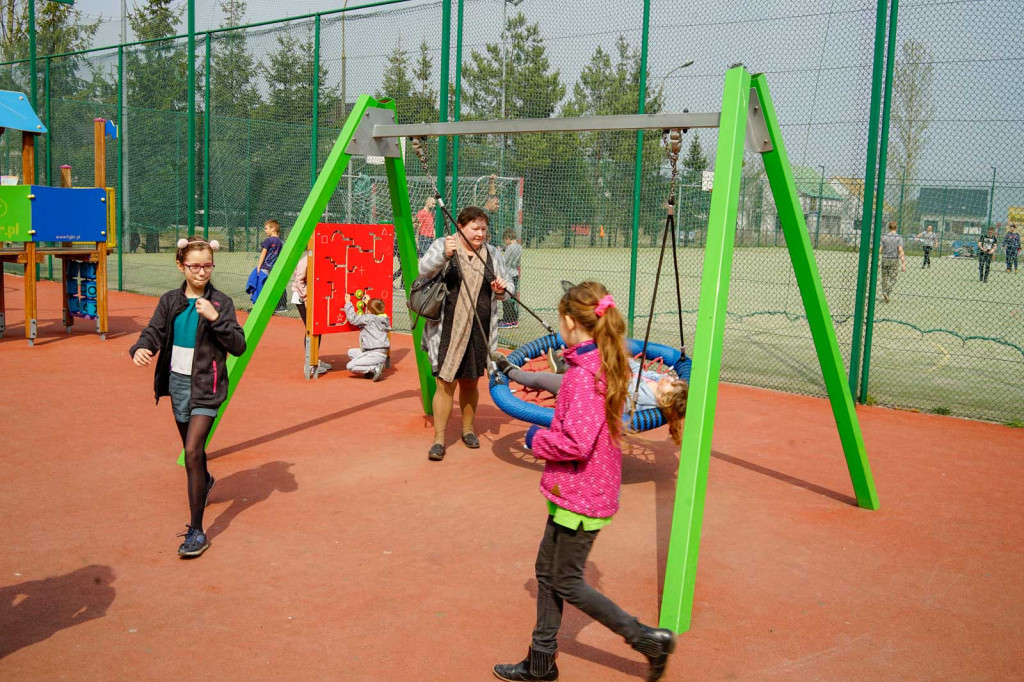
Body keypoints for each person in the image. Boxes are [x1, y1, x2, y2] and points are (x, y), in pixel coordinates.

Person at [492, 282, 677, 682]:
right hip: (576, 489)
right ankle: (541, 661)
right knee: (547, 570)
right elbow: (572, 399)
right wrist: (521, 373)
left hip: (582, 493)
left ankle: (645, 638)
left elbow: (575, 442)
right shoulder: (600, 362)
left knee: (566, 580)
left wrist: (534, 438)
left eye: (560, 319)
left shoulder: (584, 376)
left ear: (570, 322)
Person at [129, 237, 246, 558]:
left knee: (193, 451)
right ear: (181, 265)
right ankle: (205, 480)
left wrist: (214, 317)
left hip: (207, 387)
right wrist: (142, 347)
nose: (202, 272)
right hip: (177, 385)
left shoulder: (221, 302)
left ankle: (196, 530)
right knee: (192, 453)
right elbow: (154, 332)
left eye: (208, 265)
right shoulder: (170, 300)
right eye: (195, 266)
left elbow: (238, 344)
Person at [418, 206, 513, 461]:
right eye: (475, 228)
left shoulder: (493, 253)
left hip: (479, 329)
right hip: (447, 328)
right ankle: (439, 439)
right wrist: (444, 256)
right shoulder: (444, 244)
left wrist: (502, 288)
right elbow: (423, 269)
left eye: (484, 229)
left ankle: (468, 430)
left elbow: (508, 285)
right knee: (445, 382)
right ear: (460, 226)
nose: (481, 234)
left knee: (471, 380)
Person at [492, 353, 689, 445]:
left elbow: (618, 398)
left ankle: (510, 372)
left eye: (672, 383)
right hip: (593, 381)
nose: (670, 377)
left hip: (585, 393)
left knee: (541, 379)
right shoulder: (654, 382)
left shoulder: (644, 398)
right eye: (674, 378)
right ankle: (565, 365)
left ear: (666, 399)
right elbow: (638, 370)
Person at [289, 250, 331, 378]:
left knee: (317, 328)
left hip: (313, 297)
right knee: (311, 328)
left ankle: (314, 358)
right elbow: (299, 281)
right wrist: (306, 298)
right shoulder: (305, 262)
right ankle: (309, 363)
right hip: (301, 298)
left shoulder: (320, 258)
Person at [343, 297, 391, 381]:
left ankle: (374, 368)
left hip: (374, 353)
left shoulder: (369, 319)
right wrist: (368, 303)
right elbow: (371, 316)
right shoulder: (384, 318)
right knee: (351, 352)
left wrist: (348, 303)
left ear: (369, 312)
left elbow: (353, 319)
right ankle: (377, 365)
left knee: (350, 366)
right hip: (380, 353)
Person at [255, 219, 286, 310]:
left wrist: (258, 266)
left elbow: (263, 254)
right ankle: (281, 305)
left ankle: (262, 305)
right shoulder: (280, 242)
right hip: (275, 267)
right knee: (276, 284)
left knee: (262, 284)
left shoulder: (268, 241)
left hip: (266, 267)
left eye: (266, 228)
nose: (265, 230)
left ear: (273, 229)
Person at [499, 229, 522, 328]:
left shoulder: (509, 248)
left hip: (508, 274)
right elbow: (511, 250)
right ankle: (513, 319)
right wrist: (503, 248)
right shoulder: (519, 247)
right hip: (515, 273)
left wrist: (499, 254)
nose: (505, 242)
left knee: (506, 297)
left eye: (505, 240)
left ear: (508, 238)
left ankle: (507, 321)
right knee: (512, 298)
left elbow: (505, 260)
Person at [879, 221, 906, 303]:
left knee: (884, 278)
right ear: (896, 227)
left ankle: (884, 290)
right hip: (894, 259)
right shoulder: (899, 238)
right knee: (893, 279)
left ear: (889, 227)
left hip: (885, 258)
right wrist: (903, 263)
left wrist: (877, 260)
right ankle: (888, 291)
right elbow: (900, 250)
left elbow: (880, 249)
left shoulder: (884, 237)